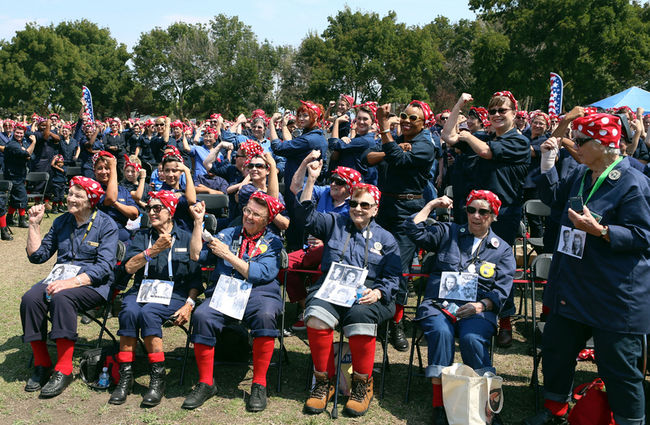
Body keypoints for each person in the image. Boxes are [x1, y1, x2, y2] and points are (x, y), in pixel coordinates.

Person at [522, 113, 650, 425]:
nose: (574, 146)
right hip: (574, 287)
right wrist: (548, 164)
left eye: (581, 141)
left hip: (614, 293)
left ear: (605, 145)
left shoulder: (633, 181)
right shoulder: (583, 174)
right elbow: (554, 200)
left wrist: (603, 231)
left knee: (619, 368)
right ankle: (556, 410)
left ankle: (629, 421)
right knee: (556, 350)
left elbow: (644, 235)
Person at [297, 160, 400, 417]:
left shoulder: (386, 239)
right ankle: (324, 382)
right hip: (331, 289)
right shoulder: (334, 223)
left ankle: (361, 385)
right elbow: (307, 217)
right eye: (354, 203)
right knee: (317, 315)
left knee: (359, 316)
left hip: (368, 294)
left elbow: (395, 277)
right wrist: (311, 180)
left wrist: (378, 292)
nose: (358, 209)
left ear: (375, 209)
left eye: (365, 205)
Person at [405, 190, 514, 425]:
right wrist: (433, 204)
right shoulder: (449, 232)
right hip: (439, 305)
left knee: (472, 338)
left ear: (493, 215)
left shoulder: (502, 249)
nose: (475, 216)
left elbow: (502, 291)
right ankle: (440, 406)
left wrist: (480, 306)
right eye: (471, 210)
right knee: (441, 332)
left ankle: (486, 403)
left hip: (476, 309)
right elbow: (413, 230)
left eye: (483, 211)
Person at [183, 192, 285, 412]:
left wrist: (228, 256)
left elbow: (260, 274)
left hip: (260, 291)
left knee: (265, 315)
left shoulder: (274, 242)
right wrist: (198, 223)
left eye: (256, 214)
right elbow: (195, 254)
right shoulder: (229, 233)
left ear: (267, 220)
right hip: (227, 289)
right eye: (247, 210)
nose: (248, 216)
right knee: (202, 315)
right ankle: (206, 383)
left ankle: (259, 383)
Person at [442, 92, 530, 347]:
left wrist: (468, 134)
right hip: (473, 212)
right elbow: (448, 137)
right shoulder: (482, 136)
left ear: (514, 112)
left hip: (502, 216)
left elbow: (487, 153)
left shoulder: (518, 142)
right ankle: (461, 313)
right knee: (464, 262)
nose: (497, 115)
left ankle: (504, 321)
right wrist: (459, 104)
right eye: (492, 112)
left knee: (500, 269)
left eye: (502, 110)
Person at [20, 176, 118, 398]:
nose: (70, 198)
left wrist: (69, 283)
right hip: (59, 280)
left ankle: (63, 369)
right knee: (30, 298)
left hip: (92, 284)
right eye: (70, 193)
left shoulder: (106, 225)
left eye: (77, 195)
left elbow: (103, 268)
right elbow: (38, 256)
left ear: (90, 200)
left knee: (62, 298)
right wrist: (34, 225)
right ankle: (42, 363)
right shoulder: (61, 221)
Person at [108, 190, 202, 406]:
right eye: (149, 208)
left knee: (149, 312)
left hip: (175, 293)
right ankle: (126, 377)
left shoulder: (186, 237)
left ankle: (157, 379)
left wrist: (189, 304)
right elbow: (129, 268)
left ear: (170, 212)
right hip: (142, 289)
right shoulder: (142, 236)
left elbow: (196, 279)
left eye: (157, 208)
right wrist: (152, 251)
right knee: (129, 311)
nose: (151, 212)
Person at [369, 101, 437, 352]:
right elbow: (369, 157)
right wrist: (391, 145)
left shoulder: (426, 146)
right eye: (404, 116)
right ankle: (377, 315)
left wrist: (385, 130)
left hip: (408, 212)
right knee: (376, 262)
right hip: (384, 207)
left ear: (424, 123)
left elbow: (398, 159)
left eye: (413, 118)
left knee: (398, 267)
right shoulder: (395, 139)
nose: (407, 121)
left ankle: (396, 323)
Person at [285, 155, 361, 330]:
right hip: (311, 249)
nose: (333, 184)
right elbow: (294, 187)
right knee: (286, 264)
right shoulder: (325, 191)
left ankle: (326, 313)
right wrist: (308, 170)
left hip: (335, 252)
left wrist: (327, 239)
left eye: (339, 182)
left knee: (321, 269)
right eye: (332, 179)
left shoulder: (356, 206)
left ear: (350, 188)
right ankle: (306, 308)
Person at [270, 101, 328, 250]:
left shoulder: (310, 139)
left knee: (298, 233)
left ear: (315, 117)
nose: (301, 118)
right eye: (299, 115)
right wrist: (283, 126)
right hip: (302, 187)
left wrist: (271, 124)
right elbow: (292, 145)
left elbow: (278, 148)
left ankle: (296, 263)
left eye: (305, 115)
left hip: (300, 190)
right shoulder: (312, 136)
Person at [4, 123, 36, 228]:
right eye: (17, 133)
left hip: (20, 175)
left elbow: (32, 156)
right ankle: (22, 220)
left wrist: (27, 152)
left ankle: (9, 218)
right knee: (22, 197)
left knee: (14, 198)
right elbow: (27, 154)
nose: (19, 135)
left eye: (21, 133)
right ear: (14, 132)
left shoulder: (23, 143)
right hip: (13, 175)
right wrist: (34, 142)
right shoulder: (12, 144)